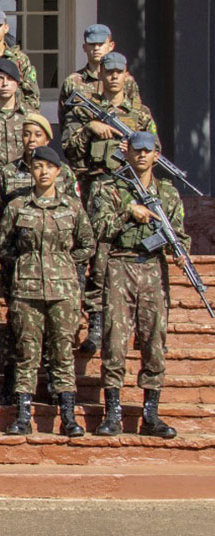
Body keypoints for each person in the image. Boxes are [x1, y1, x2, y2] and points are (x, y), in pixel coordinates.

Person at [89, 131, 188, 439]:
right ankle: (113, 412)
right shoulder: (109, 187)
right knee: (115, 339)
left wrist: (180, 250)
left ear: (157, 156)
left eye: (149, 151)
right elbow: (99, 227)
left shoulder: (167, 193)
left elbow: (180, 233)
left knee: (154, 340)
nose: (143, 155)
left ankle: (150, 414)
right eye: (137, 150)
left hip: (153, 269)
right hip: (120, 264)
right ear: (127, 152)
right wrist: (127, 211)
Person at [0, 144, 95, 438]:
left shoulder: (72, 207)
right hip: (26, 291)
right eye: (37, 167)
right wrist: (25, 264)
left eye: (48, 167)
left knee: (63, 354)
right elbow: (2, 245)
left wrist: (62, 262)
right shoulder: (17, 206)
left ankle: (68, 417)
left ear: (58, 172)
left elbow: (87, 244)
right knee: (26, 354)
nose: (42, 172)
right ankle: (23, 415)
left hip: (63, 291)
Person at [61, 51, 157, 356]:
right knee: (86, 252)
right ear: (100, 75)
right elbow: (68, 149)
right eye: (108, 71)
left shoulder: (140, 114)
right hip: (91, 185)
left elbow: (155, 151)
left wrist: (133, 148)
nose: (114, 76)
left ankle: (99, 323)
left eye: (119, 72)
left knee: (106, 259)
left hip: (126, 190)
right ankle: (77, 322)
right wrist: (89, 130)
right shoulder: (85, 111)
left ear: (126, 75)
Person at [58, 23, 140, 123]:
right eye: (92, 44)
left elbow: (137, 115)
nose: (96, 48)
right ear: (84, 47)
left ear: (111, 46)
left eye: (101, 44)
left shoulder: (126, 81)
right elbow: (65, 120)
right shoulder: (73, 82)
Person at [0, 113, 79, 206]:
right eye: (26, 135)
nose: (31, 139)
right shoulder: (8, 172)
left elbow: (75, 207)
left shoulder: (62, 171)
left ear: (47, 140)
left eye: (38, 135)